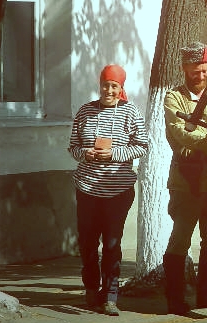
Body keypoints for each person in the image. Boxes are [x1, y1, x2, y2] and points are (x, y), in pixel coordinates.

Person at [68, 64, 148, 316]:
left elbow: (142, 146)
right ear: (99, 85)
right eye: (105, 85)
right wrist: (86, 153)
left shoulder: (130, 112)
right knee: (88, 243)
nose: (109, 90)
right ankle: (92, 288)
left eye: (114, 86)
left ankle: (111, 295)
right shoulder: (85, 111)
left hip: (118, 191)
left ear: (121, 87)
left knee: (112, 244)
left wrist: (114, 153)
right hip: (88, 188)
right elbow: (73, 147)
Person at [163, 42, 207, 314]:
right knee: (181, 238)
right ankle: (175, 298)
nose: (200, 76)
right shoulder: (173, 98)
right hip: (186, 180)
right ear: (184, 69)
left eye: (204, 71)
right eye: (194, 72)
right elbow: (179, 133)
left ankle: (206, 294)